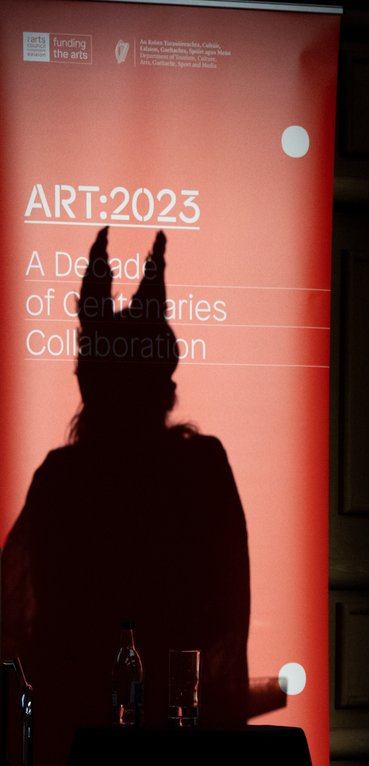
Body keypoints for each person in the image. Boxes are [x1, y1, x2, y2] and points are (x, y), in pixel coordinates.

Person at [1, 227, 250, 766]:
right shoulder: (200, 469)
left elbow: (24, 622)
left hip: (76, 728)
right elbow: (223, 610)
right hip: (172, 723)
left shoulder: (61, 479)